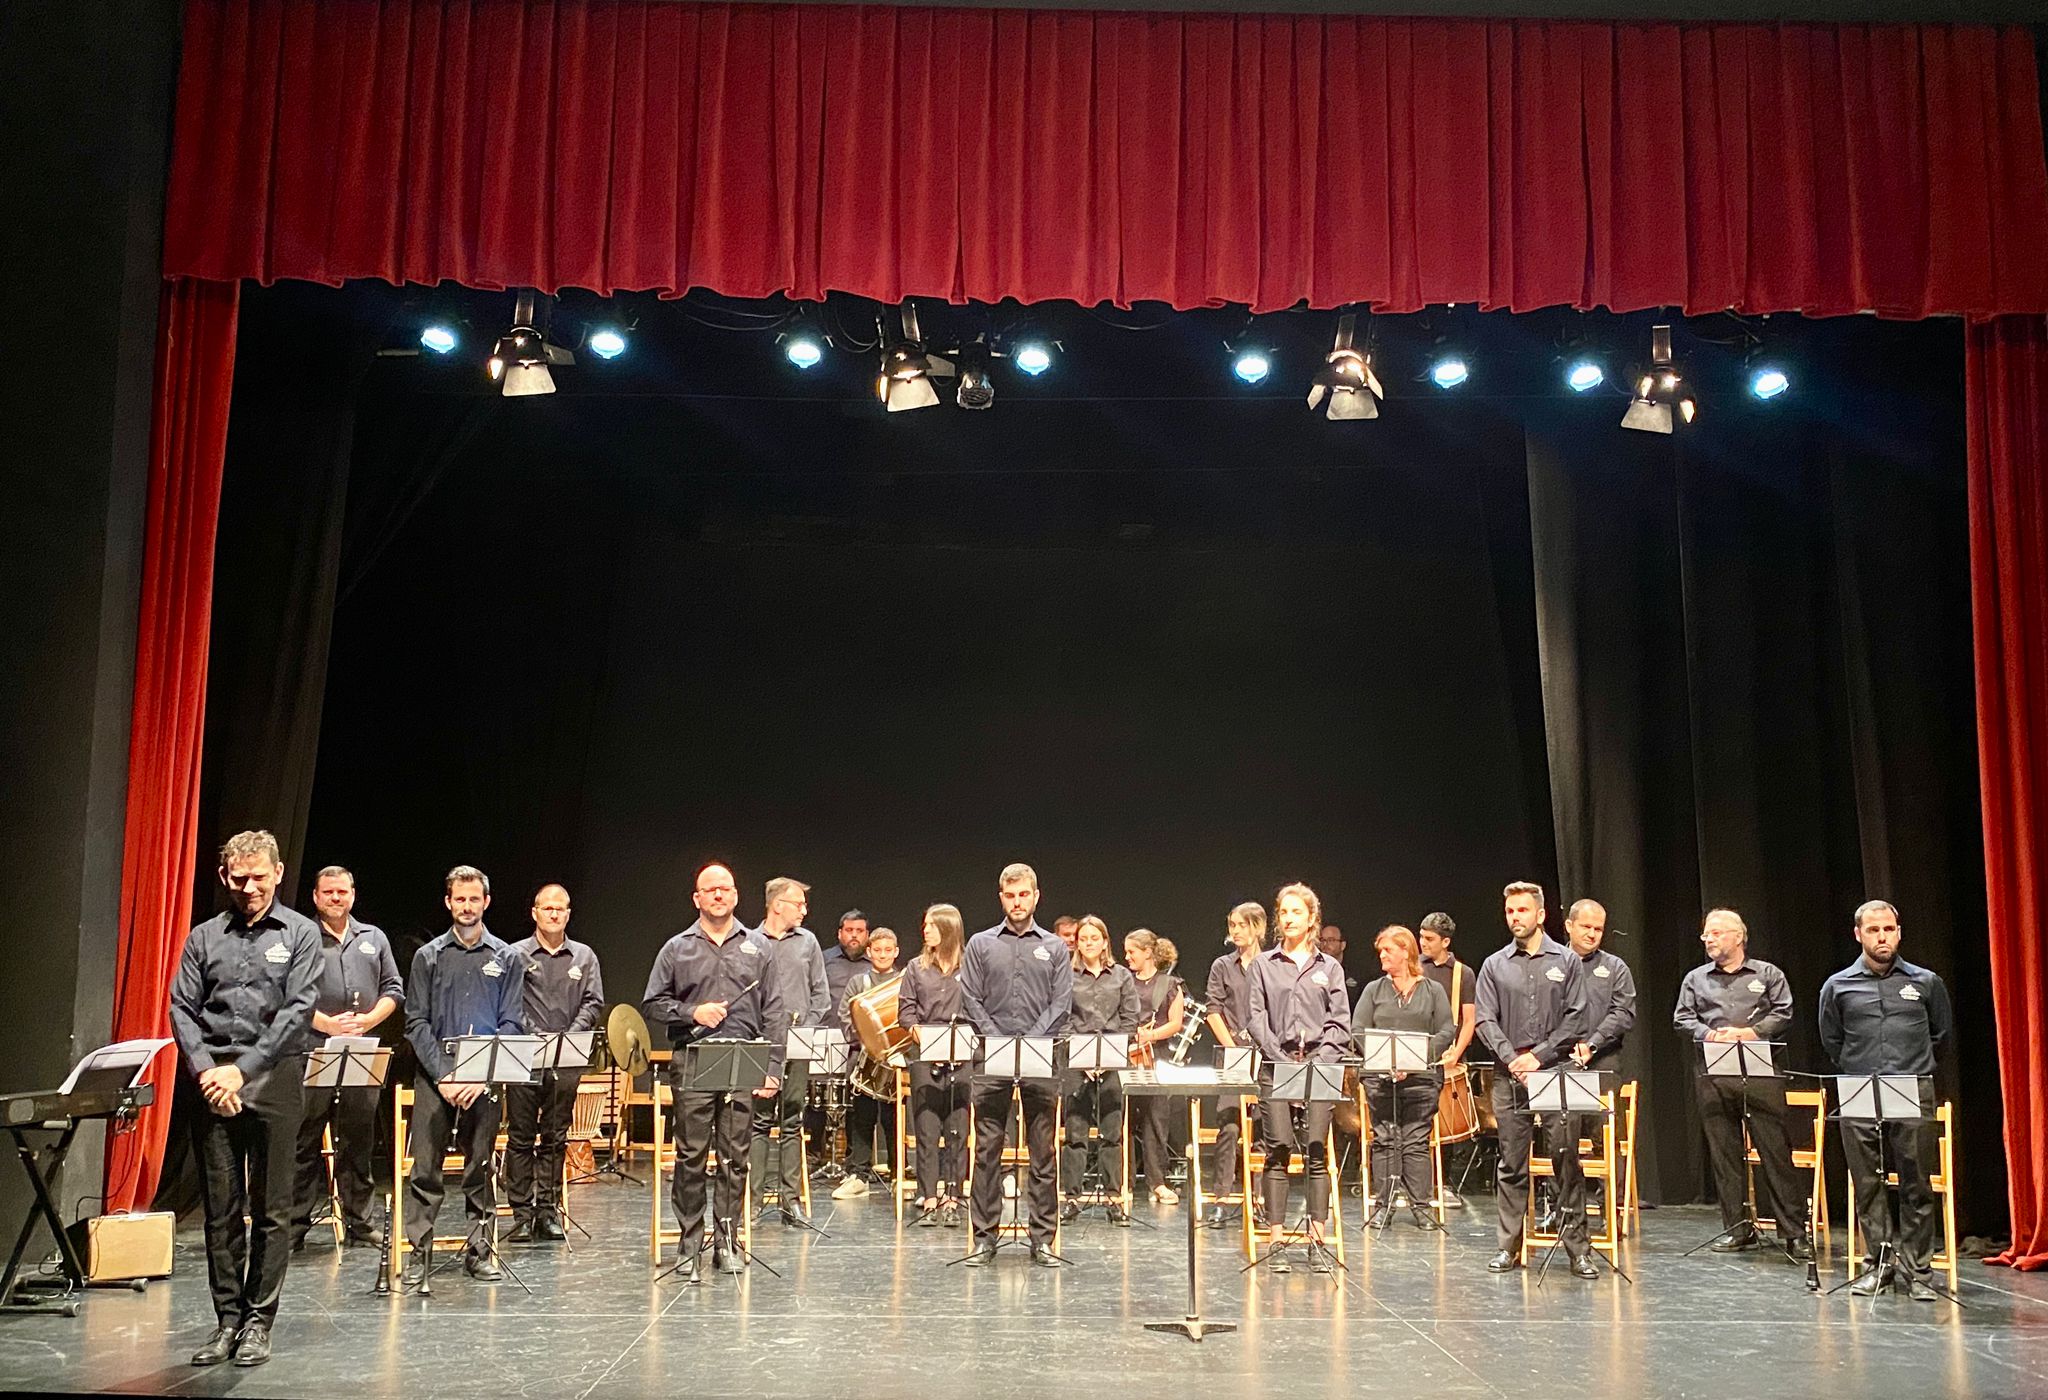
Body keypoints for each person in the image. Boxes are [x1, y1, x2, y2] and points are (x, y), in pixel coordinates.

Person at [169, 830, 320, 1368]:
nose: (249, 887)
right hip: (213, 1082)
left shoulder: (301, 933)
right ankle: (227, 1320)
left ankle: (259, 1321)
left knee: (272, 1209)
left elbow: (299, 1010)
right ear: (224, 877)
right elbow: (181, 1008)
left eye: (259, 877)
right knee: (220, 1210)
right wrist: (210, 1072)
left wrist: (243, 1071)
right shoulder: (204, 937)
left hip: (273, 1077)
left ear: (278, 873)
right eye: (239, 878)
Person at [643, 862, 787, 1283]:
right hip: (693, 1061)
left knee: (734, 1157)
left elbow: (775, 1011)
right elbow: (653, 1004)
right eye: (710, 890)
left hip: (744, 1062)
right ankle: (690, 1243)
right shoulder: (677, 948)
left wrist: (773, 1068)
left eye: (725, 888)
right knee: (690, 1156)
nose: (719, 895)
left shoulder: (759, 948)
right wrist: (693, 1012)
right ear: (697, 899)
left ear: (736, 895)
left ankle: (726, 1240)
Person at [1818, 900, 1952, 1299]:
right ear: (1858, 934)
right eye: (1873, 930)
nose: (1882, 937)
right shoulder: (1837, 985)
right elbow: (1832, 1039)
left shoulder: (1926, 982)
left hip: (1912, 1087)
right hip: (1858, 1089)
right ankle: (1878, 1265)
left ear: (1899, 932)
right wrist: (1857, 1066)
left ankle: (1918, 1270)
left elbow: (1941, 1035)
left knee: (1916, 1183)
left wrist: (1914, 1065)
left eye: (1889, 929)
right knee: (1867, 1183)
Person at [401, 865, 524, 1285]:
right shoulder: (428, 956)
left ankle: (480, 1250)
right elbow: (416, 1022)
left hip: (483, 1078)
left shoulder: (507, 957)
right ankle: (419, 1252)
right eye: (460, 899)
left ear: (486, 902)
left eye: (474, 899)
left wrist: (479, 1076)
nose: (467, 906)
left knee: (480, 1168)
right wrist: (445, 1076)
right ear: (448, 902)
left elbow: (511, 1023)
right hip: (436, 1075)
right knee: (426, 1169)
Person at [1673, 907, 1813, 1262]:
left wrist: (1751, 1032)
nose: (1708, 939)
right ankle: (1737, 1229)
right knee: (1725, 1155)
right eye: (1706, 934)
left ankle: (1794, 1232)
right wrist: (1710, 1034)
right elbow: (1682, 1018)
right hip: (1714, 1075)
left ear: (1738, 936)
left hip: (1761, 1074)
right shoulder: (1695, 979)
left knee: (1775, 1153)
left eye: (1716, 933)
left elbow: (1783, 1012)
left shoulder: (1767, 974)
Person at [1474, 881, 1597, 1279]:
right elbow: (1484, 1020)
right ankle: (1508, 1247)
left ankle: (1578, 1249)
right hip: (1509, 1074)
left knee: (1566, 1158)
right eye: (1510, 911)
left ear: (1540, 915)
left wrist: (1537, 1056)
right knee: (1512, 1161)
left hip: (1556, 1069)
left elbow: (1577, 1018)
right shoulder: (1494, 965)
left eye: (1523, 910)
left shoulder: (1567, 960)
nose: (1515, 917)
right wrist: (1513, 1059)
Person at [960, 863, 1073, 1268]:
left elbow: (1061, 1002)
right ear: (1001, 898)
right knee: (987, 1152)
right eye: (1010, 895)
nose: (1017, 902)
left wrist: (1032, 1042)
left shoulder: (1055, 947)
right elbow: (970, 998)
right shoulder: (981, 943)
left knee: (1042, 1152)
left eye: (1024, 894)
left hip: (1041, 1057)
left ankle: (1042, 1240)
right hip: (992, 1056)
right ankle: (983, 1238)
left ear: (1036, 896)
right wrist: (1000, 1042)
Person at [291, 864, 401, 1252]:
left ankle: (360, 1222)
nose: (336, 898)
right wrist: (327, 1024)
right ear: (315, 897)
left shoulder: (373, 937)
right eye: (328, 892)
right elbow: (288, 993)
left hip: (362, 1051)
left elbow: (393, 988)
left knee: (358, 1139)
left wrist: (369, 1020)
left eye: (342, 892)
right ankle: (295, 1225)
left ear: (352, 895)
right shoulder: (301, 936)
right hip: (313, 1048)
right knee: (304, 1141)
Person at [1245, 883, 1350, 1274]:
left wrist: (1319, 1060)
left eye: (1296, 912)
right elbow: (1255, 1017)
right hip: (1277, 1066)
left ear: (1311, 918)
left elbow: (1340, 1022)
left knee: (1316, 1150)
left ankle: (1317, 1239)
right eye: (1283, 912)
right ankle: (1276, 1238)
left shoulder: (1329, 967)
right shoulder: (1263, 964)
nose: (1288, 918)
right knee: (1279, 1148)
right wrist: (1280, 1058)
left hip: (1320, 1066)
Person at [503, 883, 604, 1243]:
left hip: (567, 1059)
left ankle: (547, 1211)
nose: (554, 914)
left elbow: (593, 1002)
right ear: (535, 912)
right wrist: (535, 1035)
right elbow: (509, 1002)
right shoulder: (515, 955)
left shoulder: (584, 957)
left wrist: (568, 1036)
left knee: (556, 1137)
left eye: (560, 909)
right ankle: (520, 1212)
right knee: (520, 1136)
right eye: (547, 908)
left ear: (568, 914)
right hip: (525, 1057)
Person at [1352, 926, 1453, 1230]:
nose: (1382, 955)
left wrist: (1415, 1059)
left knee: (1415, 1140)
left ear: (1406, 951)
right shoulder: (1374, 990)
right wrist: (1386, 1060)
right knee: (1385, 1139)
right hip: (1380, 1078)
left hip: (1421, 1079)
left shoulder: (1432, 990)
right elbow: (1358, 1030)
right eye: (1380, 950)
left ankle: (1421, 1206)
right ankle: (1383, 1206)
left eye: (1388, 950)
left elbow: (1446, 1030)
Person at [751, 876, 829, 1227]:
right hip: (762, 1044)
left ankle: (790, 1200)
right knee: (758, 1122)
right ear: (777, 905)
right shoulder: (752, 942)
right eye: (798, 903)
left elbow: (821, 995)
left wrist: (804, 1029)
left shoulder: (807, 942)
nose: (804, 910)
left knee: (792, 1120)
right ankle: (753, 1201)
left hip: (797, 1043)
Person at [1061, 915, 1138, 1224]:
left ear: (1105, 942)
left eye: (1094, 938)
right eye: (1083, 939)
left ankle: (1113, 1197)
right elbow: (1062, 1018)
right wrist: (1082, 1058)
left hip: (1112, 1061)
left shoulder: (1121, 976)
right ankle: (1072, 1198)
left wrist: (1107, 1059)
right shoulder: (1066, 975)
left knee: (1112, 1133)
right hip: (1077, 1063)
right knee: (1075, 1133)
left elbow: (1130, 1018)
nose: (1089, 943)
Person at [899, 903, 971, 1227]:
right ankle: (928, 1197)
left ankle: (953, 1197)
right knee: (927, 1130)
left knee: (957, 1130)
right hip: (925, 1055)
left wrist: (958, 1043)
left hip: (961, 1055)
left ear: (947, 929)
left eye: (931, 925)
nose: (924, 930)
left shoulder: (970, 967)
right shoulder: (915, 967)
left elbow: (978, 1010)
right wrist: (928, 1042)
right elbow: (906, 1013)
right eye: (924, 924)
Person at [1202, 901, 1266, 1228]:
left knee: (1262, 1131)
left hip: (1265, 1055)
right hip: (1232, 1055)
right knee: (1229, 1128)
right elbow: (1212, 1009)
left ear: (1258, 927)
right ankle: (1222, 1198)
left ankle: (1258, 1200)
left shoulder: (1271, 964)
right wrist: (1233, 1048)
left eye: (1242, 925)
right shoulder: (1223, 966)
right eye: (1232, 925)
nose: (1236, 931)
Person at [1417, 910, 1480, 1209]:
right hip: (1417, 1054)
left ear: (1445, 942)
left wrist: (1457, 1052)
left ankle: (1444, 1185)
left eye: (1429, 939)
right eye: (1421, 937)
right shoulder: (1415, 967)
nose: (1423, 943)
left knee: (1447, 1128)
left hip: (1447, 1057)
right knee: (1417, 1125)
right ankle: (1415, 1185)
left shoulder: (1462, 974)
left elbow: (1469, 1019)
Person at [833, 927, 902, 1198]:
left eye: (888, 950)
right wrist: (866, 1042)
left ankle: (898, 1174)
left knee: (893, 1121)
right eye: (878, 950)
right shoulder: (858, 982)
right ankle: (858, 1175)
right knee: (862, 1120)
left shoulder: (903, 982)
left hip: (894, 1062)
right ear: (869, 952)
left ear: (896, 952)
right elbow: (845, 1016)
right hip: (862, 1058)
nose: (883, 955)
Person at [1126, 929, 1184, 1203]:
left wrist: (1150, 1035)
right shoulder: (1125, 981)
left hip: (1157, 1058)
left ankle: (1157, 1182)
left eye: (1132, 952)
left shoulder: (1169, 984)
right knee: (1124, 1121)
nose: (1127, 957)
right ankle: (1123, 1181)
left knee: (1156, 1121)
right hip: (1128, 1057)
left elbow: (1176, 1023)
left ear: (1147, 952)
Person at [820, 909, 871, 1030]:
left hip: (864, 1035)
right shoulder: (823, 959)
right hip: (827, 1032)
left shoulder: (876, 964)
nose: (854, 935)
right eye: (849, 930)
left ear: (867, 935)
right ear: (839, 933)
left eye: (859, 931)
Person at [1318, 922, 1360, 1001]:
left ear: (1343, 945)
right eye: (1322, 940)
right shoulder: (1313, 972)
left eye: (1331, 940)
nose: (1325, 944)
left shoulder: (1356, 974)